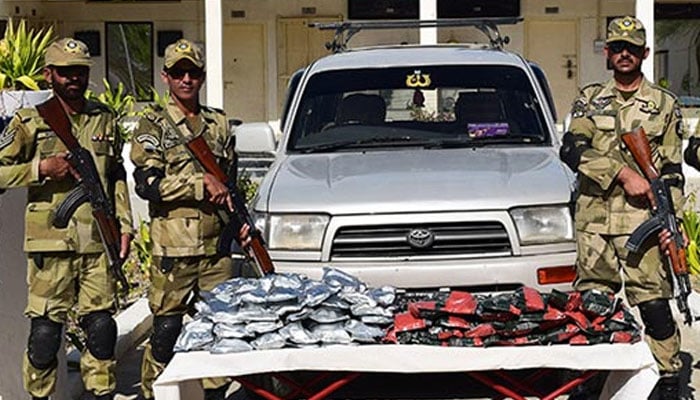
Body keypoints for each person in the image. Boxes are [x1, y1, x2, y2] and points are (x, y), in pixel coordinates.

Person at [560, 16, 697, 400]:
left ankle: (668, 377)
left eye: (632, 48)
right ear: (607, 53)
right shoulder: (589, 99)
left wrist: (674, 220)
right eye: (618, 47)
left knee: (653, 301)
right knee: (593, 303)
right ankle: (589, 375)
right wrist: (622, 173)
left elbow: (671, 170)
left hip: (644, 220)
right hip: (595, 221)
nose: (624, 54)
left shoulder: (663, 105)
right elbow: (572, 150)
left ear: (645, 54)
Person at [0, 38, 133, 400]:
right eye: (65, 72)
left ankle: (101, 393)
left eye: (80, 71)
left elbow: (115, 176)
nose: (74, 78)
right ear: (48, 74)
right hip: (50, 244)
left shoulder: (103, 116)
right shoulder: (28, 121)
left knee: (102, 328)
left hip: (97, 243)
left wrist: (125, 226)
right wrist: (40, 168)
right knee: (45, 334)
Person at [130, 38, 248, 400]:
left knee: (220, 329)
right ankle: (155, 393)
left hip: (216, 251)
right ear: (165, 77)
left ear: (202, 77)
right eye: (178, 73)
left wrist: (240, 221)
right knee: (166, 332)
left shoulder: (218, 122)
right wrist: (198, 183)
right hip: (175, 249)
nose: (186, 80)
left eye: (193, 73)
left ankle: (214, 394)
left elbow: (229, 181)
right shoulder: (154, 124)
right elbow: (147, 184)